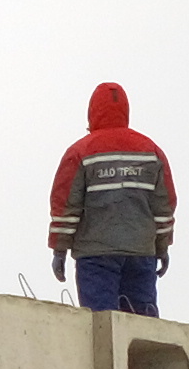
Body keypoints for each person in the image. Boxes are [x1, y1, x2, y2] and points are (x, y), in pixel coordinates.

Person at [45, 81, 174, 315]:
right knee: (141, 328)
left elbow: (65, 205)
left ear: (92, 112)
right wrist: (162, 246)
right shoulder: (151, 151)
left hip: (96, 257)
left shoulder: (80, 152)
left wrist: (59, 249)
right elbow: (164, 205)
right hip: (141, 253)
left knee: (101, 326)